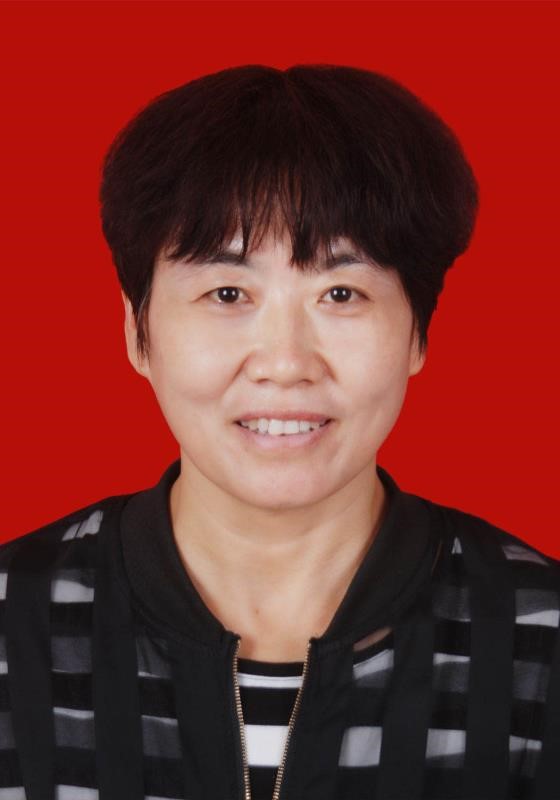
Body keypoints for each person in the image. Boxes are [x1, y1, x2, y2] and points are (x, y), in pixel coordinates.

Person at [0, 63, 558, 800]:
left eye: (341, 292)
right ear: (138, 331)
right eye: (228, 292)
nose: (286, 363)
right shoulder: (12, 625)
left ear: (418, 333)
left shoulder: (540, 639)